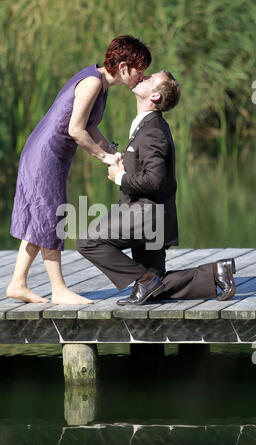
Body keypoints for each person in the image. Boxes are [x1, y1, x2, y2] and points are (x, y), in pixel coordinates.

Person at [7, 35, 152, 305]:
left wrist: (110, 150)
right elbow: (76, 130)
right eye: (139, 71)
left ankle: (18, 283)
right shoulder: (92, 83)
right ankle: (59, 289)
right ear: (123, 67)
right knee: (52, 218)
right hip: (44, 156)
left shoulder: (101, 84)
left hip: (47, 155)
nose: (141, 77)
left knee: (42, 217)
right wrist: (103, 158)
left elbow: (90, 125)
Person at [77, 71, 237, 305]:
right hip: (149, 217)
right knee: (155, 289)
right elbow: (149, 173)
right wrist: (125, 165)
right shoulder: (147, 126)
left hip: (147, 217)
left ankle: (145, 279)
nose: (143, 77)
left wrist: (121, 177)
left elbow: (155, 181)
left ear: (154, 97)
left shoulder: (153, 130)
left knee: (88, 241)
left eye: (150, 79)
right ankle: (216, 272)